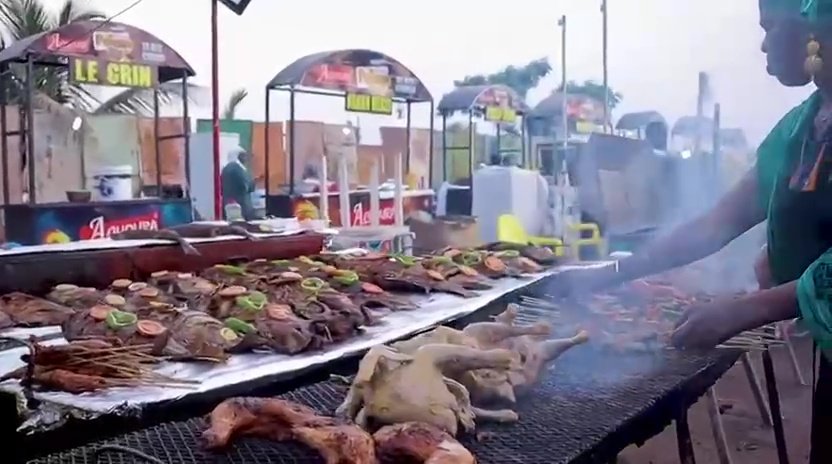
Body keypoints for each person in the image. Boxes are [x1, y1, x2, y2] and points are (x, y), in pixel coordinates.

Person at [552, 1, 831, 461]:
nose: (762, 45)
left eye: (769, 27)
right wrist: (613, 272)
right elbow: (715, 223)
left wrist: (746, 309)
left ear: (812, 23)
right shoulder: (801, 128)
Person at [221, 147, 255, 220]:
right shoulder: (237, 169)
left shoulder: (226, 168)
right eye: (243, 155)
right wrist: (252, 183)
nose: (245, 158)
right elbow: (245, 186)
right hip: (241, 205)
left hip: (227, 204)